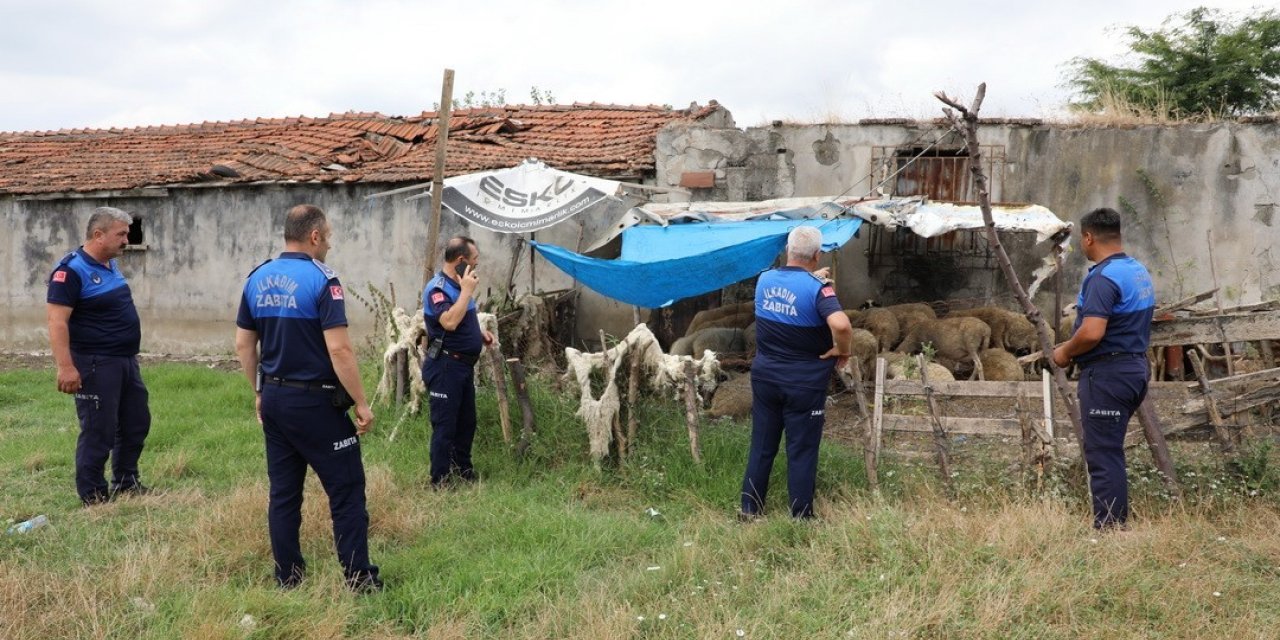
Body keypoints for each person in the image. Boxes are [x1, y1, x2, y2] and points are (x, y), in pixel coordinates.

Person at [234, 204, 382, 591]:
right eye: (328, 235)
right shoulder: (323, 280)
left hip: (276, 399)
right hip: (316, 403)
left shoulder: (257, 277)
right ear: (314, 236)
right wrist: (362, 403)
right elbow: (340, 351)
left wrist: (259, 391)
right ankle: (360, 579)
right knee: (346, 490)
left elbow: (243, 345)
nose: (329, 243)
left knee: (284, 494)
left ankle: (288, 577)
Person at [740, 226, 853, 520]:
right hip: (803, 383)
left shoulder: (764, 279)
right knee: (801, 450)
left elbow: (789, 291)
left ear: (788, 250)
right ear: (817, 255)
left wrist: (811, 282)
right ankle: (801, 517)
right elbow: (841, 325)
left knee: (762, 445)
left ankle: (750, 509)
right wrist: (843, 350)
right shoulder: (820, 290)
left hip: (765, 378)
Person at [1053, 207, 1155, 530]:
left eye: (1081, 240)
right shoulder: (1137, 270)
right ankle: (1114, 524)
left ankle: (1110, 530)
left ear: (1088, 237)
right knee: (1111, 451)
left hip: (1108, 376)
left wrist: (1065, 352)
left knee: (1103, 454)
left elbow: (1093, 331)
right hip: (1134, 369)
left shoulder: (1102, 277)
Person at [46, 207, 152, 506]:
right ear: (98, 235)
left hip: (125, 361)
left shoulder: (109, 264)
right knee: (98, 430)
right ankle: (93, 496)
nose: (126, 240)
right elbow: (56, 322)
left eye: (127, 234)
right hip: (94, 363)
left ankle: (126, 482)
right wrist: (65, 367)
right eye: (121, 234)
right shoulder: (70, 271)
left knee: (135, 422)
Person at [422, 236, 495, 488]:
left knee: (466, 423)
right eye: (474, 260)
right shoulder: (438, 289)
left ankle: (463, 472)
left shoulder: (462, 285)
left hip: (463, 367)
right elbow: (449, 322)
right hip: (444, 366)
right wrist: (466, 291)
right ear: (462, 261)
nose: (477, 265)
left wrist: (478, 333)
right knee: (445, 426)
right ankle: (440, 481)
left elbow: (462, 318)